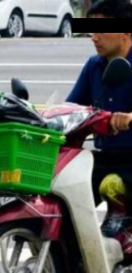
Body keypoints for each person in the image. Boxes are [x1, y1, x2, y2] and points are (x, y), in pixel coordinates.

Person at [66, 3, 132, 206]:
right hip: (107, 157)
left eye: (101, 31)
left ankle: (122, 224)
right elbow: (73, 107)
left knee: (113, 185)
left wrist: (129, 117)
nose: (94, 37)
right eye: (92, 31)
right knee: (69, 187)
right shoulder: (94, 66)